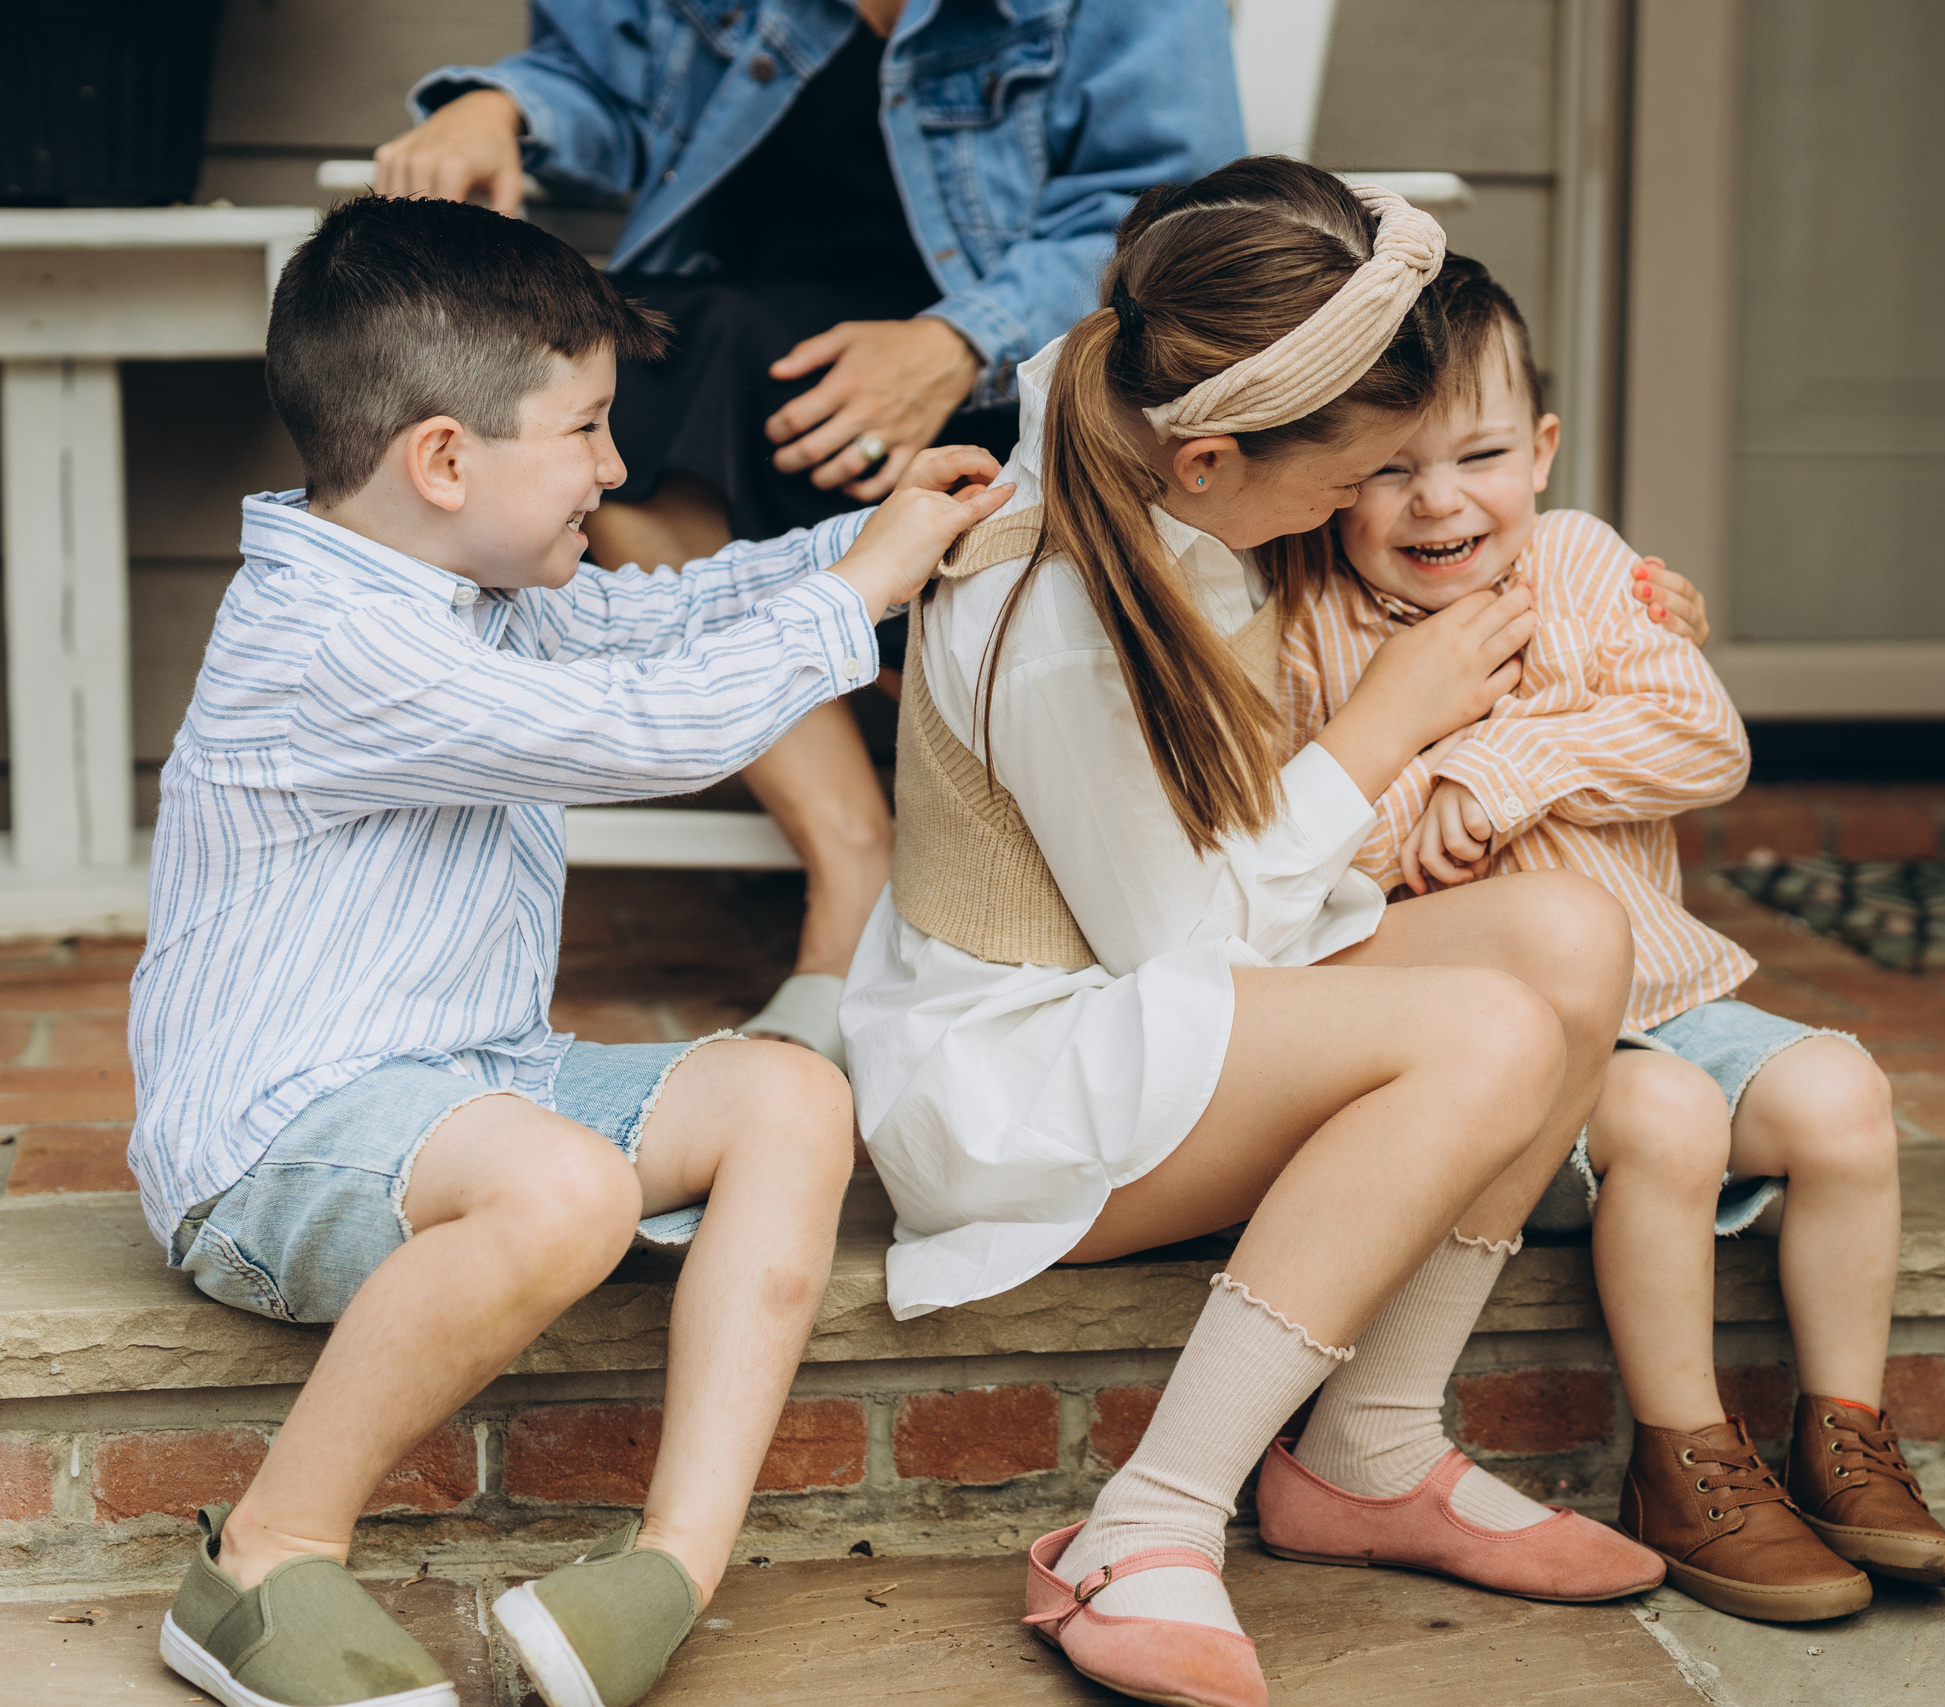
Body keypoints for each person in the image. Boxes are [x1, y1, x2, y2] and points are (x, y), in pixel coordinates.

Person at [127, 196, 1010, 1707]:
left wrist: (867, 541)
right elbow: (634, 730)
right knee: (568, 1183)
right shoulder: (330, 639)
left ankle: (667, 1562)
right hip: (270, 1150)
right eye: (590, 429)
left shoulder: (480, 588)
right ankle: (264, 1557)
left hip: (473, 1087)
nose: (617, 466)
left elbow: (654, 620)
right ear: (446, 459)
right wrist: (858, 601)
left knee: (792, 1093)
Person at [839, 160, 1665, 1707]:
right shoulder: (1056, 615)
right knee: (1485, 1026)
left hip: (1157, 1011)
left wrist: (1590, 580)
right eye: (1346, 474)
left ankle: (1373, 1446)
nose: (1363, 504)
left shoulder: (1165, 456)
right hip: (1019, 1083)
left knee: (1568, 932)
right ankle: (1144, 1523)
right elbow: (1183, 951)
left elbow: (1252, 248)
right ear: (1211, 459)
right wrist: (1375, 733)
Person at [1282, 255, 1945, 1625]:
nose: (1440, 500)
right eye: (1391, 467)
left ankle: (1845, 1438)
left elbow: (1698, 735)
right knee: (1663, 1115)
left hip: (1673, 987)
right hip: (1514, 1052)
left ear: (1539, 451)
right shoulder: (1309, 624)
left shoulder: (1586, 563)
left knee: (1844, 1095)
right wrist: (1419, 769)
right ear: (1330, 477)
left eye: (1480, 453)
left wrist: (1502, 767)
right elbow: (1323, 846)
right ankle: (1686, 1454)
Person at [377, 0, 1247, 1062]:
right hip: (744, 376)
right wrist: (497, 105)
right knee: (632, 374)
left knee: (695, 363)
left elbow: (1167, 213)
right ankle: (852, 854)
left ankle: (894, 860)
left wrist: (956, 340)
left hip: (1008, 371)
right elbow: (609, 87)